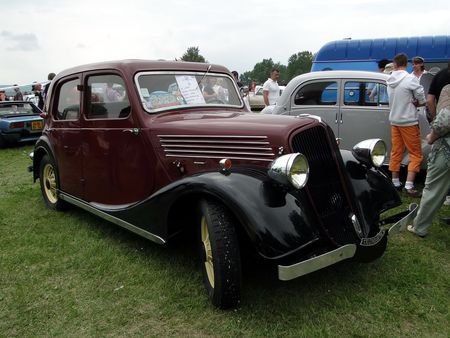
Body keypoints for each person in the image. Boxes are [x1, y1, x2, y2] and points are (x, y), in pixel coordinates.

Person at [407, 84, 450, 237]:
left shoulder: (447, 89)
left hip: (446, 150)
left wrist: (431, 137)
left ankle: (419, 227)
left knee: (433, 190)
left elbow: (445, 119)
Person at [386, 53, 426, 197]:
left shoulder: (389, 80)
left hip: (395, 120)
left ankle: (395, 181)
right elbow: (421, 95)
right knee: (415, 153)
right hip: (409, 121)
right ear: (406, 64)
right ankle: (409, 186)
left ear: (395, 64)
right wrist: (419, 102)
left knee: (396, 151)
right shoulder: (410, 78)